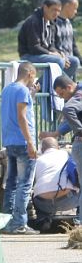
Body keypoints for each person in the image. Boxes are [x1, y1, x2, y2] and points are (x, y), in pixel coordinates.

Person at [0, 62, 40, 234]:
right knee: (24, 184)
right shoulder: (22, 91)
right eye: (34, 77)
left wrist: (32, 94)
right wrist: (31, 142)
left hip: (10, 141)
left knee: (11, 183)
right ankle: (19, 223)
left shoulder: (7, 89)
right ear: (30, 73)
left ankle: (7, 221)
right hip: (23, 143)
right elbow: (22, 117)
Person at [18, 0, 75, 78]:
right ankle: (49, 86)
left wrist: (60, 54)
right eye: (54, 10)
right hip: (29, 55)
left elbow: (51, 45)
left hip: (44, 54)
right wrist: (51, 54)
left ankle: (58, 86)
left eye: (59, 11)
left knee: (73, 61)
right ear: (45, 7)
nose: (56, 13)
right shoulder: (33, 21)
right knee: (58, 60)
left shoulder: (52, 21)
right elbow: (34, 47)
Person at [32, 137, 79, 231]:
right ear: (58, 147)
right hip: (68, 200)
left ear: (42, 149)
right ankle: (79, 221)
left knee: (35, 194)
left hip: (43, 204)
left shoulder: (38, 160)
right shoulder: (65, 154)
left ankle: (44, 220)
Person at [53, 75, 82, 225]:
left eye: (62, 94)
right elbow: (69, 109)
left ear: (69, 87)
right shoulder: (77, 96)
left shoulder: (78, 94)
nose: (62, 98)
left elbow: (70, 109)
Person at [55, 0, 81, 80]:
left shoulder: (68, 23)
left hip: (71, 63)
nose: (76, 11)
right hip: (60, 62)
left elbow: (73, 45)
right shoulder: (54, 22)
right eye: (75, 8)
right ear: (67, 6)